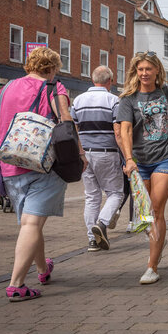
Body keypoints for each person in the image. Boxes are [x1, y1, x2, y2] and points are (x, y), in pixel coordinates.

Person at [0, 47, 86, 302]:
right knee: (32, 223)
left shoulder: (7, 87)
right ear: (51, 68)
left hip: (11, 162)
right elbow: (66, 125)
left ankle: (42, 269)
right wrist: (80, 155)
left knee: (30, 223)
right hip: (42, 164)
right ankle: (16, 284)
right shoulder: (53, 88)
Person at [117, 51, 168, 285]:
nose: (144, 73)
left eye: (148, 69)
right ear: (135, 72)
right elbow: (125, 129)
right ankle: (156, 241)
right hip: (140, 161)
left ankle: (152, 266)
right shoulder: (128, 98)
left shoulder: (167, 92)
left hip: (165, 158)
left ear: (157, 70)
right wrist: (128, 159)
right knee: (146, 214)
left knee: (156, 208)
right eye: (140, 69)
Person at [70, 66, 124, 252]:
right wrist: (126, 155)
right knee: (116, 193)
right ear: (109, 81)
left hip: (85, 153)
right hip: (107, 151)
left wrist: (80, 153)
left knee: (92, 197)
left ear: (93, 81)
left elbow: (73, 129)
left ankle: (92, 240)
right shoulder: (113, 100)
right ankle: (102, 223)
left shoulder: (78, 100)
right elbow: (118, 132)